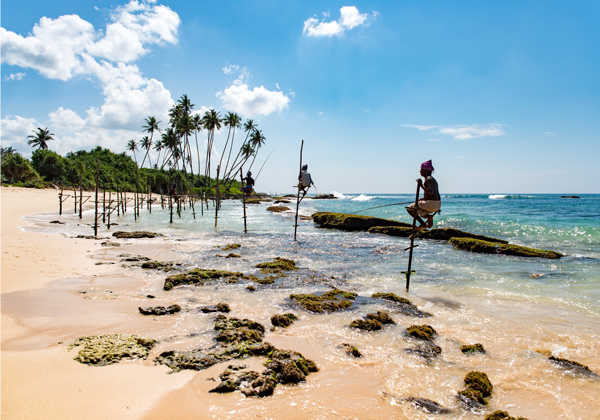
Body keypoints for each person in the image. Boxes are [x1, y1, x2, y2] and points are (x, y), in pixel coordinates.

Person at [406, 160, 441, 229]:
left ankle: (422, 224)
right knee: (419, 211)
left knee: (409, 209)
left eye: (421, 170)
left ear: (426, 171)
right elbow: (434, 194)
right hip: (437, 204)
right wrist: (424, 199)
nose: (420, 171)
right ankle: (429, 217)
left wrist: (421, 185)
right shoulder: (432, 179)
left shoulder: (428, 179)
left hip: (431, 204)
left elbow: (430, 191)